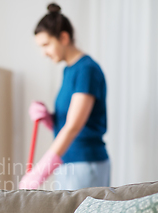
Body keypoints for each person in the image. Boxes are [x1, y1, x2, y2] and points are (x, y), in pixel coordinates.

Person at [19, 3, 110, 190]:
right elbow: (68, 121)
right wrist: (48, 117)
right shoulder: (70, 70)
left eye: (46, 45)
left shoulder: (86, 70)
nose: (43, 53)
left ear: (64, 37)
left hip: (85, 163)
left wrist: (40, 171)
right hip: (67, 162)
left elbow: (74, 126)